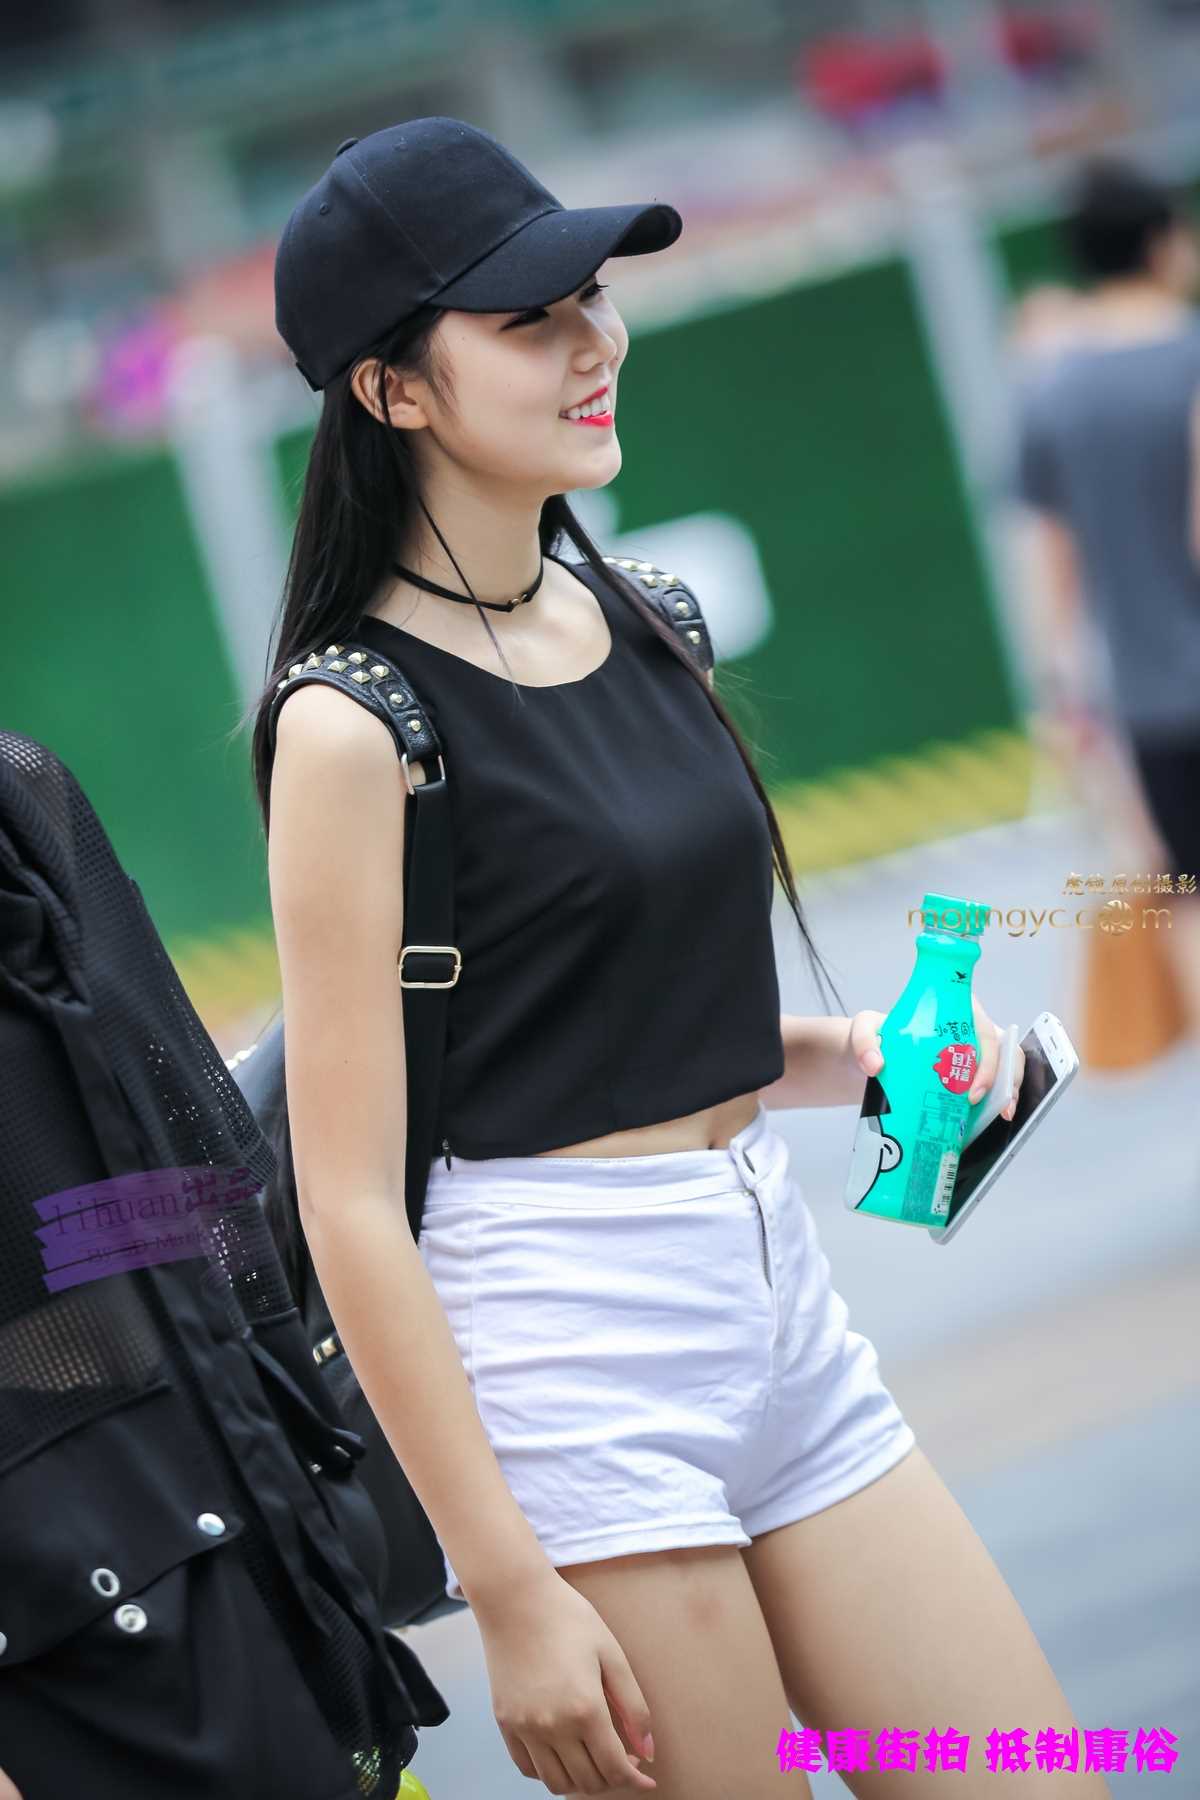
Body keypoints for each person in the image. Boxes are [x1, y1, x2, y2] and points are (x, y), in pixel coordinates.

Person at [248, 116, 1109, 1799]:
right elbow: (346, 1201)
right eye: (530, 320)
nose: (597, 343)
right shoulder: (353, 723)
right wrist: (509, 1589)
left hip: (781, 1302)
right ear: (390, 389)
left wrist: (867, 1057)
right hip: (569, 1359)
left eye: (594, 297)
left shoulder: (655, 617)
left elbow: (634, 1012)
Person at [0, 733, 447, 1798]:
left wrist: (297, 1450)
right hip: (64, 1591)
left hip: (232, 1496)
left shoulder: (21, 787)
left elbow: (180, 1143)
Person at [1014, 155, 1200, 1037]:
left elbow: (1051, 563)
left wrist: (1063, 697)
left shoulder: (1055, 390)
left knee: (1187, 893)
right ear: (1164, 242)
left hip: (1147, 698)